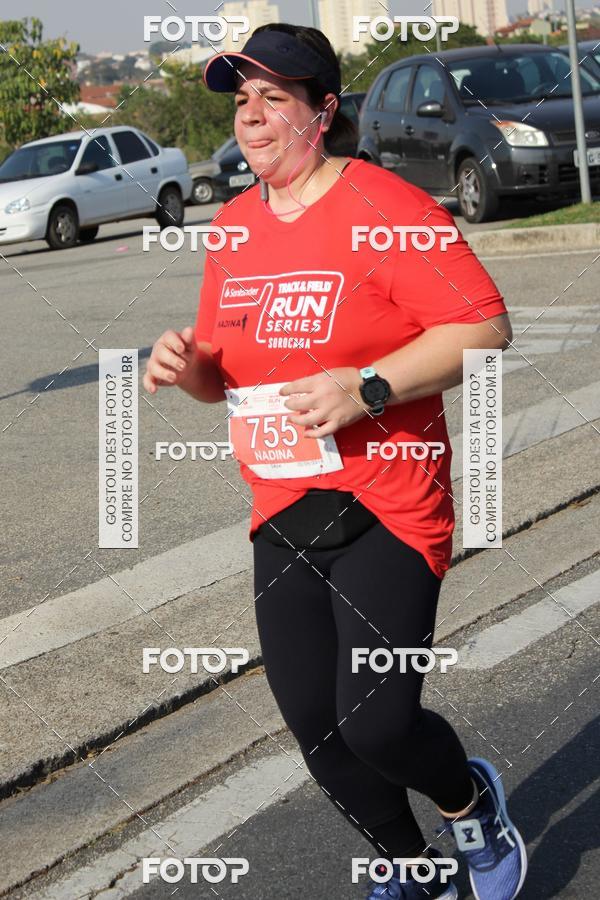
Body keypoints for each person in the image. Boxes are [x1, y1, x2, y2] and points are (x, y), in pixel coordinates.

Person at [144, 23, 527, 900]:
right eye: (242, 101)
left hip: (386, 502)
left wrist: (371, 388)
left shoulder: (386, 208)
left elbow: (485, 328)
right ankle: (410, 867)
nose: (251, 117)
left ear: (324, 110)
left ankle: (471, 806)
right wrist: (187, 365)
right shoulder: (234, 229)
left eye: (274, 98)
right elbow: (222, 376)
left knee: (378, 724)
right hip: (281, 510)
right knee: (318, 732)